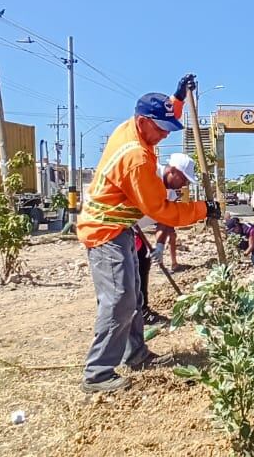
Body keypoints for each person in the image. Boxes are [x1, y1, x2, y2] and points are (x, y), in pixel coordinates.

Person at [76, 75, 221, 394]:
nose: (164, 135)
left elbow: (161, 115)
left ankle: (136, 354)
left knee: (133, 295)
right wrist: (202, 210)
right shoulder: (137, 157)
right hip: (105, 231)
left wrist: (177, 99)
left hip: (120, 227)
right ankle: (97, 373)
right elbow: (162, 211)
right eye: (161, 129)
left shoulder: (134, 128)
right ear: (143, 122)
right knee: (119, 300)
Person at [134, 152, 197, 325]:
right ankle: (131, 317)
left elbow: (165, 220)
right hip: (120, 225)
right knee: (127, 273)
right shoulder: (149, 174)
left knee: (143, 264)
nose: (184, 184)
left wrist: (159, 246)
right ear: (173, 171)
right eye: (184, 179)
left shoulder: (171, 193)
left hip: (135, 229)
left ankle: (143, 310)